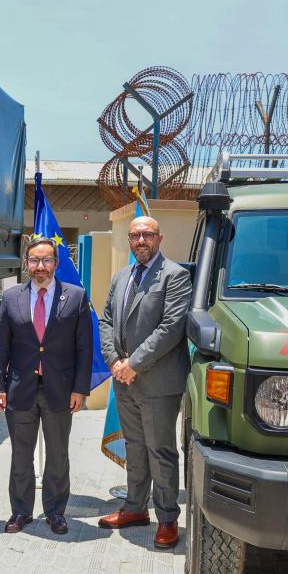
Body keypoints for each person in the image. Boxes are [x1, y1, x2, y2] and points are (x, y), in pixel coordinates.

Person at [97, 216, 191, 549]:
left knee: (160, 450)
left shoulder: (175, 276)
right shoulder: (121, 276)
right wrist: (114, 361)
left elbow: (171, 328)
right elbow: (106, 321)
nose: (141, 241)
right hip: (124, 381)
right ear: (129, 240)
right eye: (135, 235)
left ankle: (167, 519)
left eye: (147, 235)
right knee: (134, 447)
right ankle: (135, 508)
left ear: (159, 238)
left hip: (158, 383)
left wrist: (133, 364)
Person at [0, 235, 91, 536]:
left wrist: (80, 389)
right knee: (21, 455)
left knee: (58, 454)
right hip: (20, 388)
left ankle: (55, 512)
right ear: (26, 263)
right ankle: (21, 511)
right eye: (34, 260)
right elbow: (2, 346)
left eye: (46, 260)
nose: (40, 266)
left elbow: (84, 348)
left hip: (60, 389)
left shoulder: (75, 296)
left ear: (56, 263)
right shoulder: (11, 297)